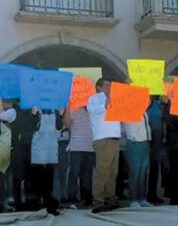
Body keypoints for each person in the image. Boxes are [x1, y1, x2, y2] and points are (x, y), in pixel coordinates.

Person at [87, 79, 121, 213]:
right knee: (102, 170)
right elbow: (102, 107)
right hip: (102, 137)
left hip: (114, 136)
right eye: (107, 85)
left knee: (113, 171)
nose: (109, 88)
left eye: (111, 85)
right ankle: (98, 201)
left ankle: (110, 198)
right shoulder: (94, 99)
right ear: (98, 87)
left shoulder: (113, 98)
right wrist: (112, 97)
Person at [30, 108, 65, 216]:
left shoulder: (54, 110)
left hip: (51, 147)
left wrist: (60, 115)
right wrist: (34, 115)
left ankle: (50, 206)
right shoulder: (36, 110)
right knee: (38, 178)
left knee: (49, 179)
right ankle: (37, 204)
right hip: (38, 148)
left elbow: (59, 127)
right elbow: (32, 127)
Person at [9, 102, 40, 211]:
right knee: (18, 177)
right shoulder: (15, 110)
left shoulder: (34, 110)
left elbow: (36, 127)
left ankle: (30, 202)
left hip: (31, 147)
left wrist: (35, 115)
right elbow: (20, 124)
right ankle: (18, 204)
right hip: (19, 148)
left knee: (30, 178)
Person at [64, 106, 95, 207]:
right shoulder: (73, 108)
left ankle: (87, 199)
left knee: (87, 175)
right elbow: (67, 125)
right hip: (76, 146)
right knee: (74, 173)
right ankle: (72, 199)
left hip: (90, 147)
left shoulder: (92, 108)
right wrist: (67, 108)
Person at [122, 113, 152, 208]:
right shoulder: (127, 109)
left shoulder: (144, 111)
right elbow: (127, 127)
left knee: (143, 172)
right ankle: (134, 199)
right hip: (134, 142)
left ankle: (141, 198)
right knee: (134, 172)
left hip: (145, 142)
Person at [147, 96, 164, 204]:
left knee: (155, 167)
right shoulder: (146, 104)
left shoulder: (158, 103)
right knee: (148, 168)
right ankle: (147, 194)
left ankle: (153, 193)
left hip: (158, 139)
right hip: (148, 139)